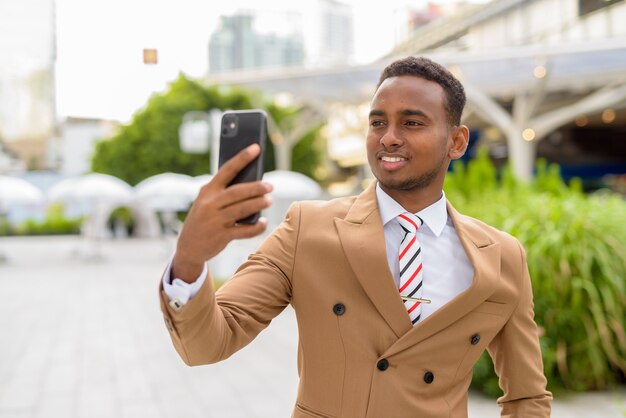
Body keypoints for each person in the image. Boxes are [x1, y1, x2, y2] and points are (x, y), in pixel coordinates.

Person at [159, 56, 552, 418]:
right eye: (378, 122)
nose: (389, 137)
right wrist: (191, 258)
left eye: (412, 123)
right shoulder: (307, 229)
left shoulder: (501, 256)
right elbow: (207, 344)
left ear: (457, 141)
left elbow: (527, 396)